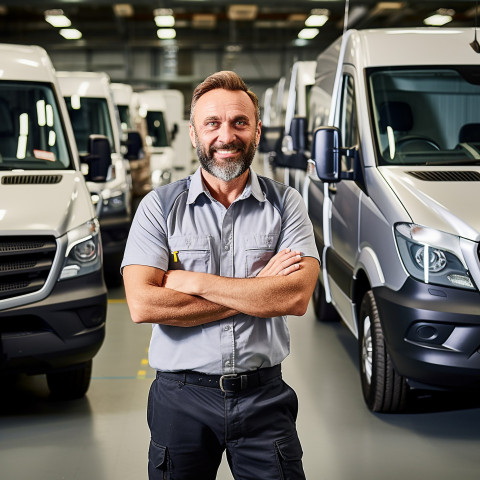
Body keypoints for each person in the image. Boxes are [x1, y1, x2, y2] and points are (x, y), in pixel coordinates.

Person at [122, 70, 320, 480]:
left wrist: (193, 282)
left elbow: (295, 298)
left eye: (239, 122)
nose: (226, 136)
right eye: (212, 123)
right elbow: (143, 305)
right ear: (193, 134)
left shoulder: (287, 204)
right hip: (180, 399)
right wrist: (259, 288)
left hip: (264, 398)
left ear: (257, 130)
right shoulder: (158, 207)